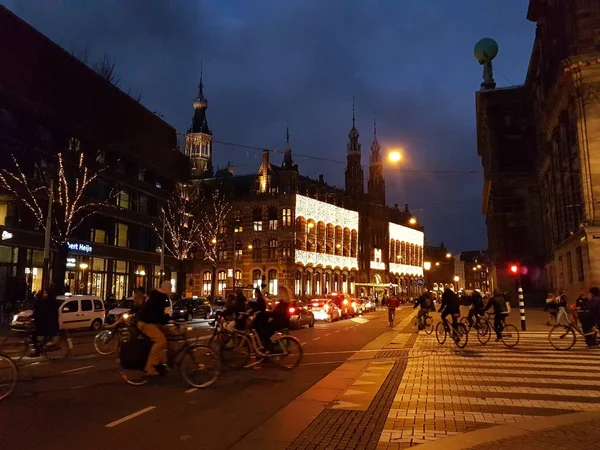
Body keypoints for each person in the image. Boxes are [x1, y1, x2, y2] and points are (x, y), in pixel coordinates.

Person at [136, 281, 171, 376]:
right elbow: (159, 314)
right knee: (161, 340)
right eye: (170, 288)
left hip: (150, 322)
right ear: (166, 288)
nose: (171, 290)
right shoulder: (160, 297)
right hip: (146, 323)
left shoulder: (157, 295)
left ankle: (162, 362)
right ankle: (150, 365)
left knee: (168, 336)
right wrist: (167, 320)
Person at [31, 286, 59, 356]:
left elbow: (38, 311)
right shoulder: (54, 302)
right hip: (52, 325)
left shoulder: (43, 302)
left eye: (44, 293)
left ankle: (37, 351)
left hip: (45, 324)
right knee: (40, 335)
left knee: (33, 334)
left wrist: (33, 316)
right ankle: (41, 347)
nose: (43, 294)